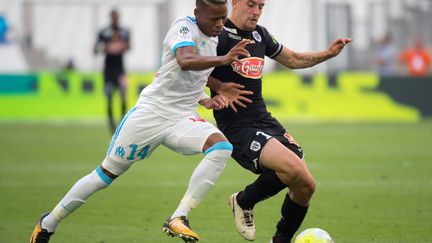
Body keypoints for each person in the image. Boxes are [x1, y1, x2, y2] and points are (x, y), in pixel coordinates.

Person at [30, 1, 250, 242]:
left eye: (223, 18)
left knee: (221, 148)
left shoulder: (214, 38)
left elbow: (186, 76)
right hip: (150, 115)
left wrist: (206, 99)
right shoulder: (183, 28)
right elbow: (184, 60)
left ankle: (179, 217)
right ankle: (48, 223)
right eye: (214, 19)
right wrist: (224, 60)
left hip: (181, 118)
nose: (219, 24)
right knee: (103, 176)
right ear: (197, 13)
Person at [206, 0, 352, 242]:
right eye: (251, 5)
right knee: (291, 168)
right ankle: (243, 201)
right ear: (234, 3)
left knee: (306, 186)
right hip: (237, 127)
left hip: (264, 120)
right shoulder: (218, 34)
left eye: (261, 6)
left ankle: (281, 240)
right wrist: (220, 87)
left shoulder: (260, 35)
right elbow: (189, 68)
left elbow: (293, 60)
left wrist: (328, 53)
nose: (256, 12)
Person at [94, 9, 131, 133]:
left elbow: (128, 47)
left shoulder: (124, 31)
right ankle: (111, 126)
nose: (115, 19)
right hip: (108, 71)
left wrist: (121, 46)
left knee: (123, 95)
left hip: (120, 70)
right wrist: (106, 47)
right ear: (111, 17)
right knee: (109, 97)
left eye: (117, 16)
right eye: (113, 17)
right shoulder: (104, 32)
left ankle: (121, 123)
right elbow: (95, 49)